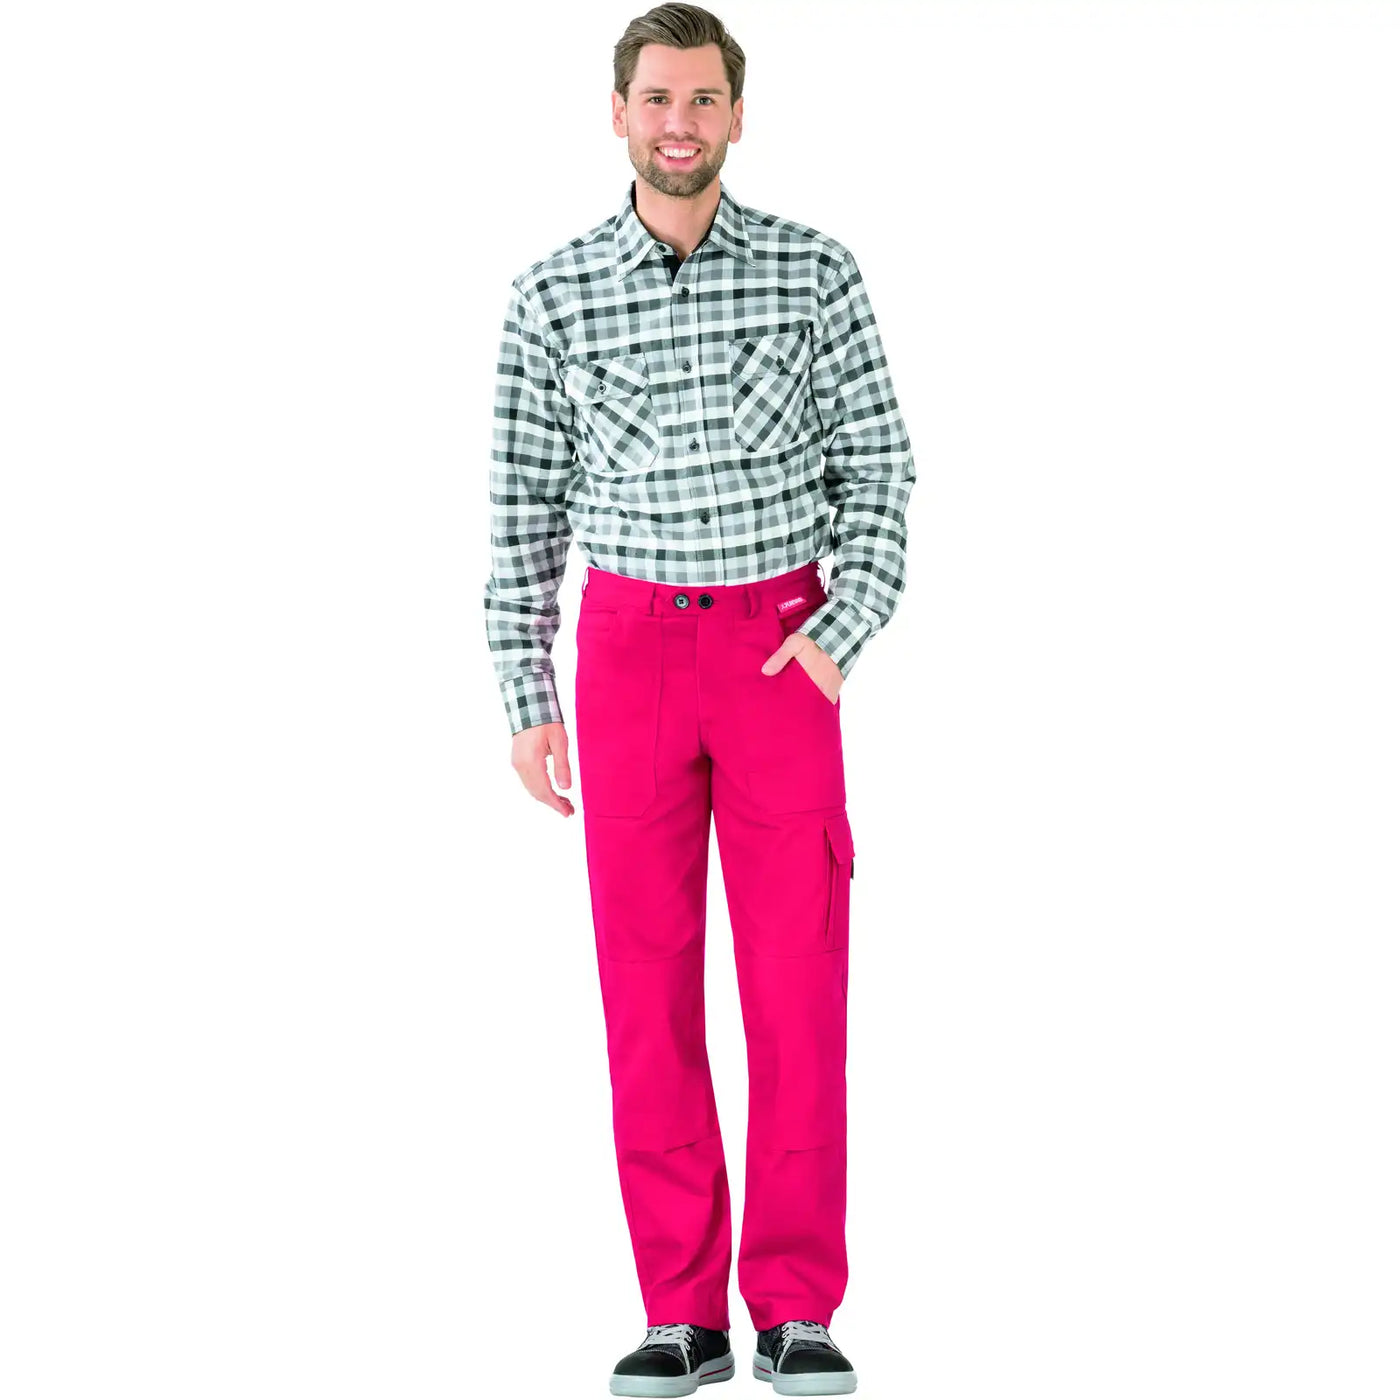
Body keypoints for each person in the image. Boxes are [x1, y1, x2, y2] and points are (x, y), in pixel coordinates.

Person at [483, 5, 914, 1394]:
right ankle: (683, 1312)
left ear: (737, 115)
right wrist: (526, 690)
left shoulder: (813, 271)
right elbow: (522, 509)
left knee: (798, 986)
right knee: (646, 987)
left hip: (780, 651)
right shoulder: (552, 294)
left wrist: (839, 633)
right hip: (628, 662)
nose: (681, 123)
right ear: (617, 114)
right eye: (658, 98)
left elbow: (881, 466)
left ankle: (794, 1306)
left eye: (704, 99)